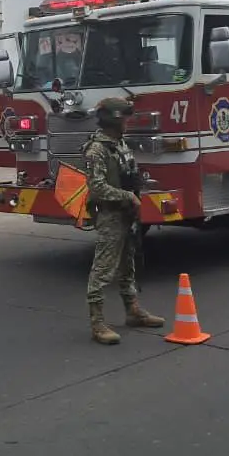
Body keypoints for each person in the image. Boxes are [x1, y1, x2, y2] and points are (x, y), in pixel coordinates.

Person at [82, 96, 164, 345]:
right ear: (114, 120)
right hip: (110, 215)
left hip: (127, 213)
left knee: (128, 265)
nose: (128, 122)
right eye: (125, 118)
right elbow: (96, 188)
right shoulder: (96, 149)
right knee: (103, 269)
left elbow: (126, 173)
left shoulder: (120, 144)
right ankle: (97, 323)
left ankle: (133, 311)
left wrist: (139, 186)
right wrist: (126, 195)